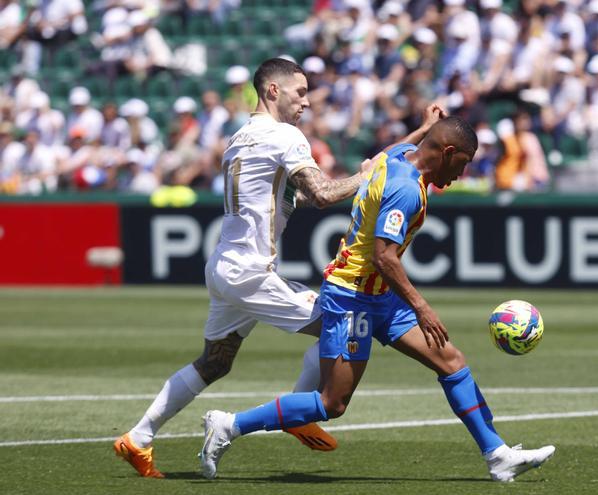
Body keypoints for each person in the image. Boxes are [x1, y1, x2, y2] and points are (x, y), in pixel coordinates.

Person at [198, 115, 555, 482]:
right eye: (462, 163)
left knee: (451, 361)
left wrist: (423, 128)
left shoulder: (398, 156)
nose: (461, 174)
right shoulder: (406, 189)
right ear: (448, 152)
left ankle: (497, 455)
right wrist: (422, 306)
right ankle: (228, 425)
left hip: (379, 296)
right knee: (331, 403)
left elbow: (397, 147)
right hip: (353, 297)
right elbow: (384, 257)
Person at [113, 58, 389, 478]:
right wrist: (368, 176)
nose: (307, 101)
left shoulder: (238, 138)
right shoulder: (285, 136)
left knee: (215, 362)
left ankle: (138, 437)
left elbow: (279, 196)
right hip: (249, 272)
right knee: (345, 316)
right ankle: (298, 412)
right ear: (273, 91)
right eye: (300, 91)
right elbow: (323, 194)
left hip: (225, 265)